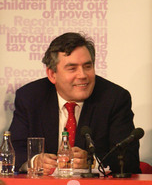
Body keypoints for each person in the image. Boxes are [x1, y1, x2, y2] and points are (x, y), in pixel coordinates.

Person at [9, 32, 140, 175]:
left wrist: (92, 162)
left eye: (88, 66)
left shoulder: (114, 99)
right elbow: (13, 150)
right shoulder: (30, 97)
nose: (83, 75)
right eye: (72, 68)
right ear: (52, 75)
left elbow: (128, 160)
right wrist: (34, 161)